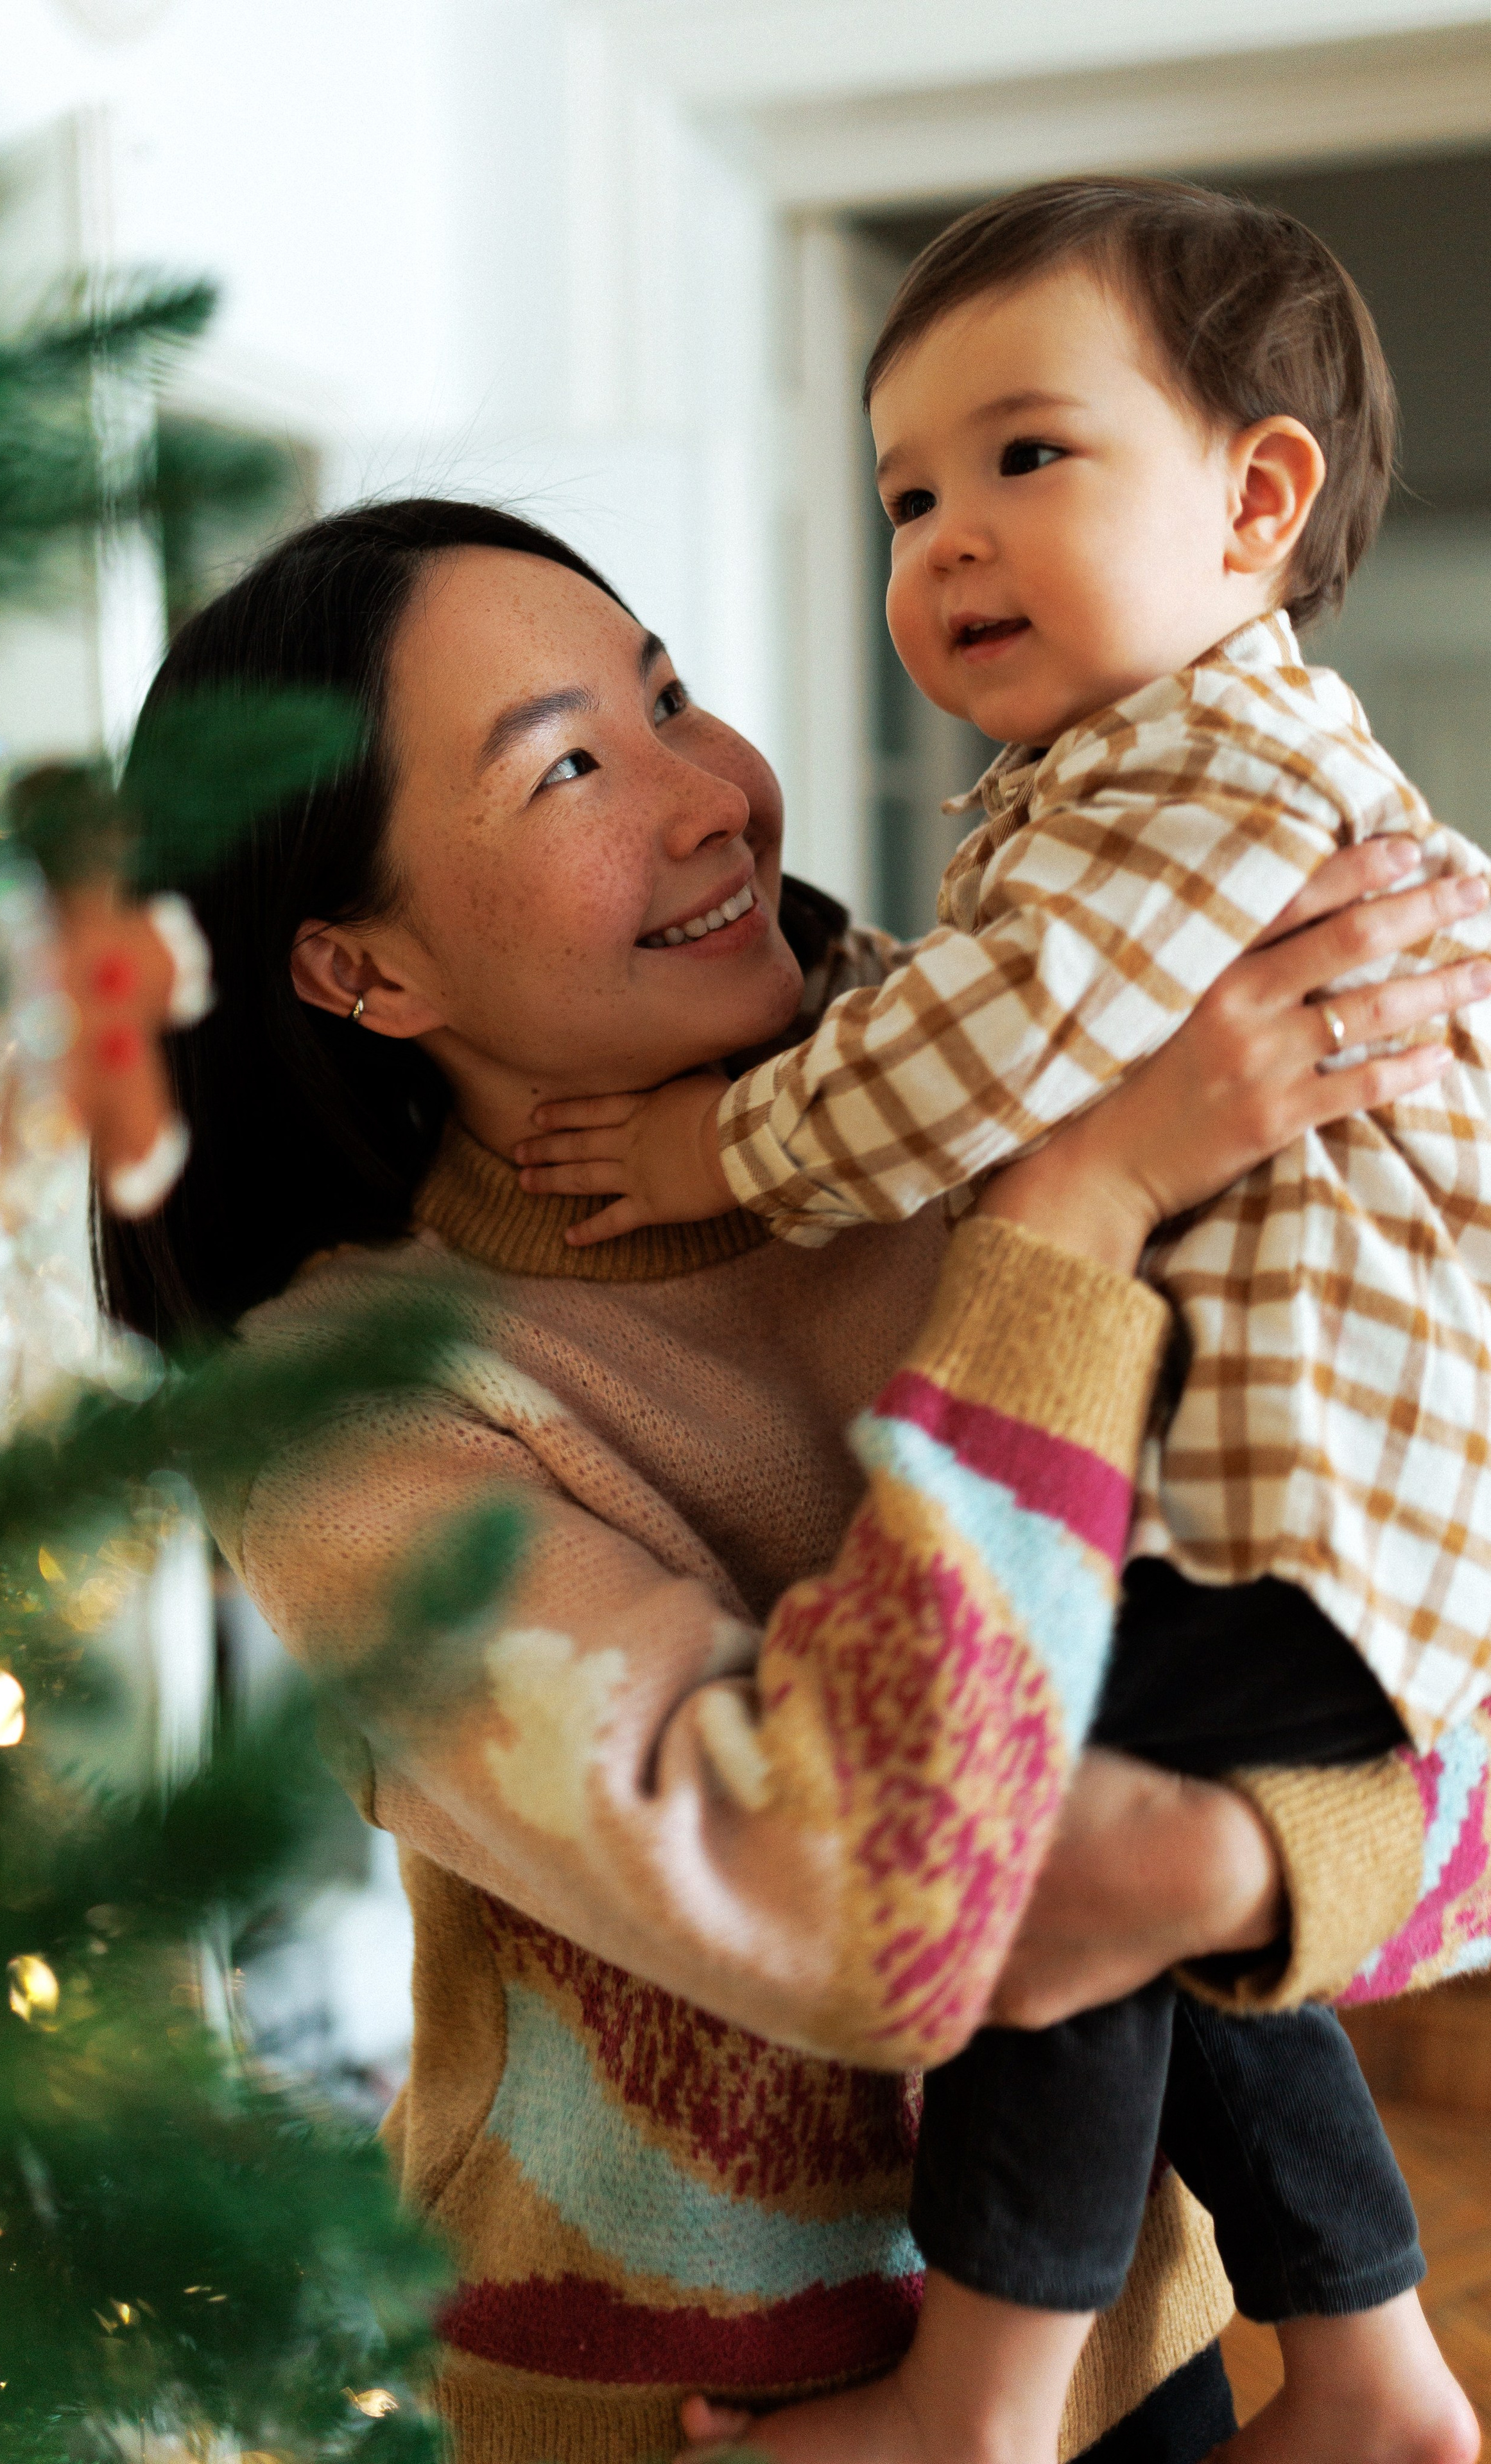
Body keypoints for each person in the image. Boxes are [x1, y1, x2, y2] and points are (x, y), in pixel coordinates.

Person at [99, 498, 1491, 2464]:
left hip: (1141, 2372)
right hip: (700, 2422)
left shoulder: (1001, 1080)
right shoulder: (354, 1424)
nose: (713, 801)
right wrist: (1077, 1217)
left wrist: (1222, 1867)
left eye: (668, 695)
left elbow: (1418, 1619)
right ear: (361, 970)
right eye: (572, 763)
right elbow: (883, 1920)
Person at [512, 182, 1491, 2463]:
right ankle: (1367, 2365)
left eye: (1026, 458)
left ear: (1257, 500)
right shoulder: (1206, 785)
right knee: (1130, 1865)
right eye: (907, 493)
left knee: (1007, 1814)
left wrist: (708, 1153)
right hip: (1338, 1532)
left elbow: (1015, 1032)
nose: (946, 538)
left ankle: (976, 2398)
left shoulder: (1202, 782)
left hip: (1299, 1520)